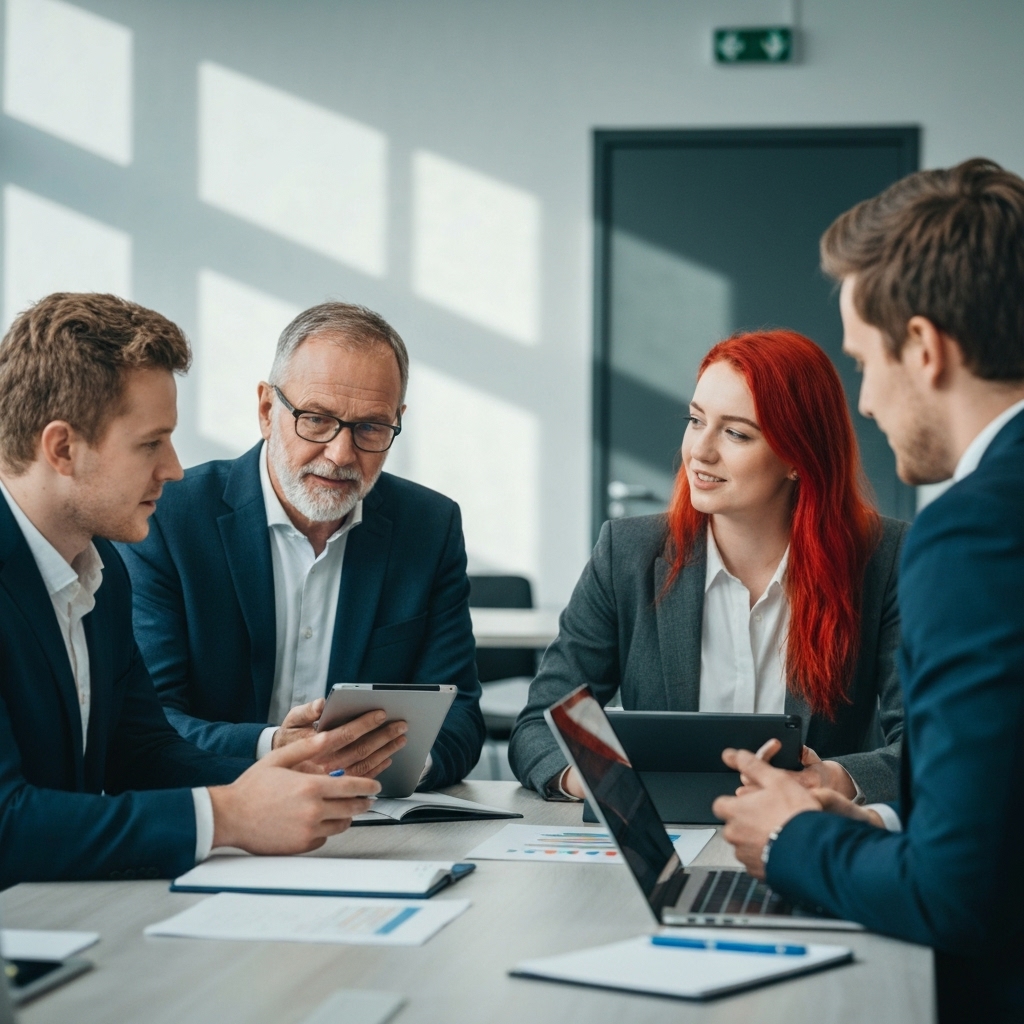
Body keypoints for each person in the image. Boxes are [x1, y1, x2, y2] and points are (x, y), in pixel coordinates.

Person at [712, 159, 1024, 1024]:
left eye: (864, 361)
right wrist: (872, 819)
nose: (867, 402)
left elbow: (958, 895)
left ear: (924, 349)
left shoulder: (977, 531)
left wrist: (792, 838)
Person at [0, 293, 380, 888]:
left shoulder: (101, 570)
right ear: (62, 448)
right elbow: (6, 824)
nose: (175, 468)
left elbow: (143, 752)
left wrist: (283, 772)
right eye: (151, 444)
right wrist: (226, 815)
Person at [510, 328, 906, 804]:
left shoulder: (883, 559)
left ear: (799, 458)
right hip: (665, 844)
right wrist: (600, 782)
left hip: (809, 840)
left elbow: (931, 745)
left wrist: (833, 779)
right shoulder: (628, 553)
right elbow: (542, 725)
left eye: (736, 432)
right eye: (695, 421)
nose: (700, 450)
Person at [118, 302, 484, 790]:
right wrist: (274, 747)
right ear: (268, 410)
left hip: (371, 816)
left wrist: (398, 767)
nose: (340, 454)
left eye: (371, 427)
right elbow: (147, 723)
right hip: (220, 808)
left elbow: (459, 715)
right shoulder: (171, 518)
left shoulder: (429, 526)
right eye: (316, 419)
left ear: (397, 421)